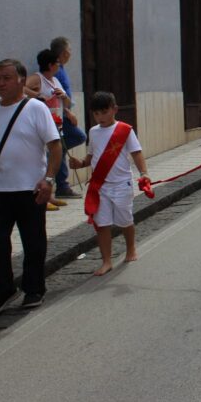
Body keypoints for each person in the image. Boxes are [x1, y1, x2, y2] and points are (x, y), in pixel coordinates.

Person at [0, 59, 61, 316]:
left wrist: (49, 180)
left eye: (6, 78)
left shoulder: (35, 108)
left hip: (30, 190)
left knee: (33, 242)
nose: (0, 83)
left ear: (21, 80)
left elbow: (55, 146)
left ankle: (34, 289)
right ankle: (1, 291)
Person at [68, 92, 148, 276]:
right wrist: (79, 163)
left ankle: (131, 249)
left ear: (114, 110)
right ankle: (106, 261)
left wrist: (144, 173)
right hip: (100, 186)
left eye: (104, 112)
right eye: (96, 114)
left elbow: (136, 153)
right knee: (101, 224)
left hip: (121, 184)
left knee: (125, 220)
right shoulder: (93, 132)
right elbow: (91, 157)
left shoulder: (125, 130)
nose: (100, 117)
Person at [25, 49, 71, 211]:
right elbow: (22, 88)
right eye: (57, 63)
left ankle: (49, 195)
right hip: (41, 124)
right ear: (51, 65)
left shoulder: (55, 81)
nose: (59, 66)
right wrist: (38, 96)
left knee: (52, 157)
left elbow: (67, 102)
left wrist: (63, 96)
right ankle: (42, 197)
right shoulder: (37, 78)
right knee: (43, 159)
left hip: (56, 123)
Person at [49, 37, 85, 200]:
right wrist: (66, 112)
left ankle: (62, 185)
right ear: (64, 53)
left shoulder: (61, 69)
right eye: (69, 51)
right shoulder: (56, 70)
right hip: (60, 117)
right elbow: (54, 93)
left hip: (64, 115)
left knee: (62, 148)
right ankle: (61, 183)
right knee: (78, 137)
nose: (71, 54)